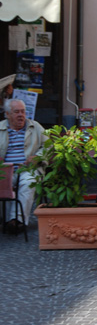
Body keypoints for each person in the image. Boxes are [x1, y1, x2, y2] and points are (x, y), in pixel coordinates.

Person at [0, 98, 47, 229]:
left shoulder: (35, 126)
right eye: (16, 112)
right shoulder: (1, 128)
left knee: (28, 183)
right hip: (5, 170)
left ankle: (17, 220)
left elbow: (49, 146)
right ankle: (7, 219)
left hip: (28, 168)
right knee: (6, 184)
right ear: (8, 114)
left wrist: (38, 157)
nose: (21, 115)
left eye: (23, 111)